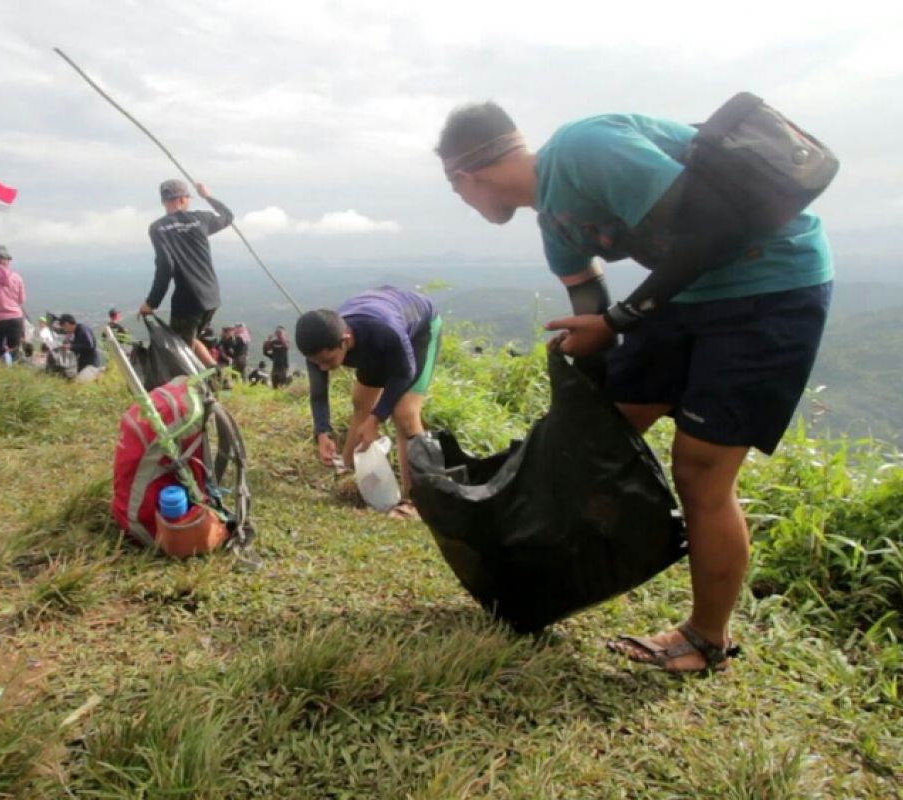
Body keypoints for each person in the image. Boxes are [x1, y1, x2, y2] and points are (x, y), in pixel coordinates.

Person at [436, 101, 833, 673]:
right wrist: (580, 378)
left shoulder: (584, 148)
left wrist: (617, 322)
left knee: (700, 469)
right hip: (682, 296)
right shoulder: (555, 225)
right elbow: (591, 309)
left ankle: (706, 640)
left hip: (771, 288)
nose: (467, 206)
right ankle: (541, 586)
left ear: (464, 177)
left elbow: (712, 228)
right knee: (599, 437)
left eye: (458, 194)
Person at [296, 287, 443, 518]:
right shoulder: (320, 345)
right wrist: (322, 432)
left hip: (418, 332)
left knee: (405, 414)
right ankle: (347, 469)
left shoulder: (385, 331)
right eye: (316, 363)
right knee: (361, 402)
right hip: (372, 342)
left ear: (344, 341)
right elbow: (318, 392)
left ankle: (415, 500)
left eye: (328, 360)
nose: (323, 367)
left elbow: (405, 372)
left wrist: (376, 419)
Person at [138, 180, 234, 367]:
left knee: (178, 352)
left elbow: (165, 266)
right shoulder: (201, 219)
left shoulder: (158, 228)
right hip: (211, 296)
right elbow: (228, 216)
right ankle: (216, 374)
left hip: (187, 300)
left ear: (164, 201)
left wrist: (151, 302)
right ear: (183, 198)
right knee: (188, 338)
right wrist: (207, 196)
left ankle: (200, 389)